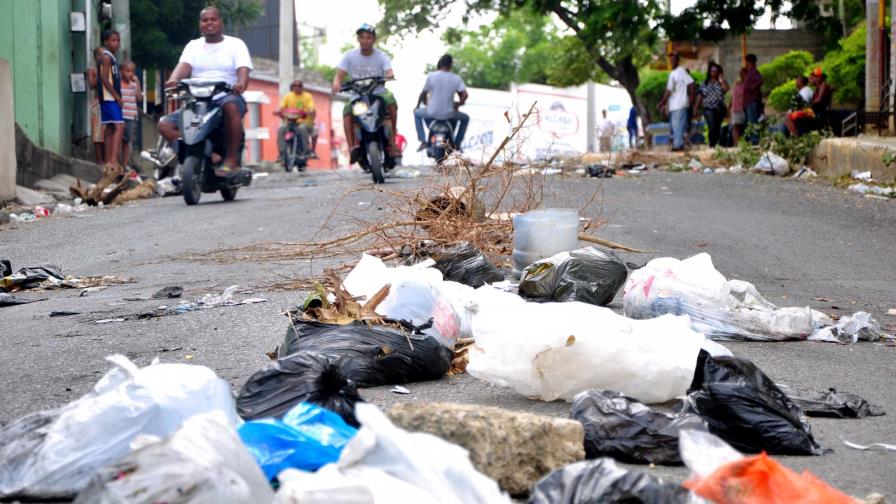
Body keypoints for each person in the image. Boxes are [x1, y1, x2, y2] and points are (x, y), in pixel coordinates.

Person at [159, 6, 252, 177]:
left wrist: (240, 84)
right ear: (200, 24)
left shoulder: (236, 44)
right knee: (165, 124)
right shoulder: (193, 46)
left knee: (231, 105)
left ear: (220, 22)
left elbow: (243, 71)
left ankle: (231, 160)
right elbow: (183, 67)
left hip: (226, 96)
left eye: (213, 19)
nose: (209, 23)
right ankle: (202, 149)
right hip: (197, 99)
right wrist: (173, 80)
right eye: (205, 20)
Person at [332, 23, 398, 162]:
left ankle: (393, 141)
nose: (365, 40)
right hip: (358, 95)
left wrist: (389, 74)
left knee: (391, 101)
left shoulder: (381, 56)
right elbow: (339, 75)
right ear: (358, 39)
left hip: (378, 93)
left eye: (368, 37)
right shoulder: (350, 56)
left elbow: (389, 71)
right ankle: (352, 147)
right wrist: (337, 83)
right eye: (362, 37)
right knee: (347, 111)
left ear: (373, 39)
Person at [414, 54, 469, 152]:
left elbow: (423, 93)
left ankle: (423, 141)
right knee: (465, 118)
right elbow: (464, 95)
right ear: (451, 64)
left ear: (440, 63)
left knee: (417, 113)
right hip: (449, 114)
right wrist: (459, 104)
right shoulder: (456, 79)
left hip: (431, 112)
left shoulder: (432, 76)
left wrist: (417, 106)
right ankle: (456, 144)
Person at [97, 30, 125, 168]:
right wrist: (117, 96)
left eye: (118, 40)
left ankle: (108, 161)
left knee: (109, 129)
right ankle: (113, 160)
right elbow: (103, 78)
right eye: (113, 40)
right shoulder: (106, 57)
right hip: (109, 98)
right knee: (120, 126)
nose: (117, 43)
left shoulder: (112, 58)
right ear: (106, 42)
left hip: (108, 98)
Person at [657, 52, 694, 152]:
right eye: (671, 60)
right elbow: (668, 90)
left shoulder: (681, 71)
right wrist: (663, 103)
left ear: (677, 61)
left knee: (678, 124)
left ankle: (679, 145)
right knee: (674, 125)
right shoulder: (672, 73)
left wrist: (691, 97)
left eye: (674, 60)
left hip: (680, 103)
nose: (672, 62)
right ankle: (677, 144)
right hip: (674, 104)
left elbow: (691, 83)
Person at [274, 79, 315, 165]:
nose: (297, 87)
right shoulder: (288, 96)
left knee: (302, 128)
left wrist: (310, 111)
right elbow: (281, 107)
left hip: (304, 121)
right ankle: (281, 153)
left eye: (299, 86)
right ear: (292, 87)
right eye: (295, 86)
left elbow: (311, 107)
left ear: (302, 87)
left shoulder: (308, 96)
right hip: (290, 121)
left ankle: (306, 151)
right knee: (281, 129)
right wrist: (278, 111)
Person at [693, 62, 729, 148]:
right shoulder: (705, 83)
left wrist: (721, 79)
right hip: (708, 108)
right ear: (709, 72)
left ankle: (715, 144)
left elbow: (726, 89)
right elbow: (700, 96)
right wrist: (695, 108)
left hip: (719, 108)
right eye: (712, 71)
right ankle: (711, 144)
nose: (714, 73)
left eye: (716, 71)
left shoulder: (721, 83)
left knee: (717, 127)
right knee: (711, 126)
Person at [120, 61, 143, 167]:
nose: (130, 74)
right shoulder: (118, 85)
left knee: (127, 140)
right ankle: (116, 163)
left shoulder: (133, 85)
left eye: (132, 71)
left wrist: (137, 83)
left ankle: (124, 164)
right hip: (120, 116)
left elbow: (139, 98)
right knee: (119, 139)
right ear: (121, 72)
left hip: (130, 116)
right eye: (127, 71)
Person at [85, 47, 104, 165]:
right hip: (98, 103)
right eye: (99, 55)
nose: (101, 57)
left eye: (104, 54)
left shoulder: (111, 68)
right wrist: (100, 71)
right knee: (97, 133)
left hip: (109, 102)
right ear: (95, 57)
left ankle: (108, 159)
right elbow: (91, 85)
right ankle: (99, 160)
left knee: (108, 133)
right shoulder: (92, 70)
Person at [743, 54, 764, 128]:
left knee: (752, 120)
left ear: (749, 62)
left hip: (752, 99)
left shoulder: (754, 71)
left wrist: (752, 87)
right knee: (750, 121)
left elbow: (760, 80)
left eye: (746, 61)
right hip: (748, 100)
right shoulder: (749, 72)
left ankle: (754, 138)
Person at [729, 68, 748, 144]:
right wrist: (729, 107)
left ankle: (744, 143)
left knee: (744, 127)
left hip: (744, 108)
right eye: (740, 73)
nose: (741, 75)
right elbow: (732, 96)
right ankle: (735, 143)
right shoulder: (737, 84)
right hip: (736, 108)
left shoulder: (748, 84)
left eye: (743, 73)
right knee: (735, 126)